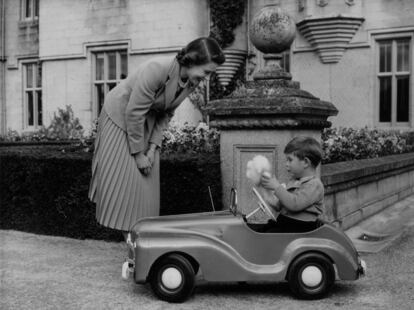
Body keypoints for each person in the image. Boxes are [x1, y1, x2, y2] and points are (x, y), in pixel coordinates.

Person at [88, 37, 225, 233]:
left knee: (146, 189)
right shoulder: (157, 69)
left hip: (145, 121)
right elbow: (134, 112)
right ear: (193, 60)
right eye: (207, 72)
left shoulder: (191, 81)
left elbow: (166, 114)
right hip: (119, 117)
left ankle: (140, 244)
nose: (207, 78)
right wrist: (137, 154)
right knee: (127, 187)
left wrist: (152, 148)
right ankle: (131, 244)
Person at [259, 136, 325, 233]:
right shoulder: (294, 181)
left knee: (269, 234)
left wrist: (277, 187)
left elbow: (295, 204)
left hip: (301, 227)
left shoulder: (314, 185)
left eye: (290, 160)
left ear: (306, 162)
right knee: (262, 229)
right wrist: (267, 195)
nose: (286, 164)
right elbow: (280, 206)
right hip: (287, 223)